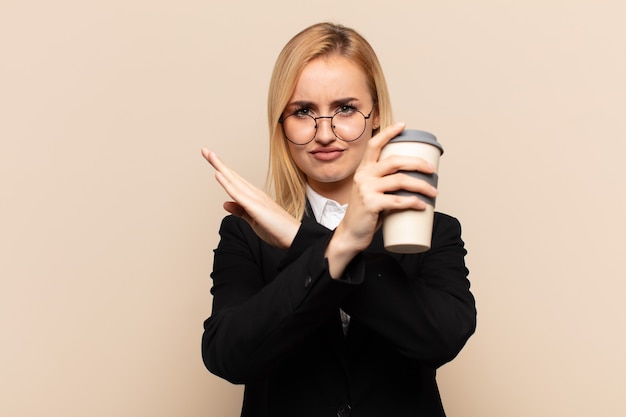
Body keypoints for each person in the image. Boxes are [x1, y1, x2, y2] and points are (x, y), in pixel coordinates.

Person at [201, 22, 476, 417]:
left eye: (345, 109)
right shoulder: (245, 234)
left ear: (375, 115)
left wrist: (302, 240)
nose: (325, 133)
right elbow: (228, 356)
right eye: (303, 111)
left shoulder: (436, 229)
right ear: (282, 123)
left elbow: (440, 339)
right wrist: (339, 243)